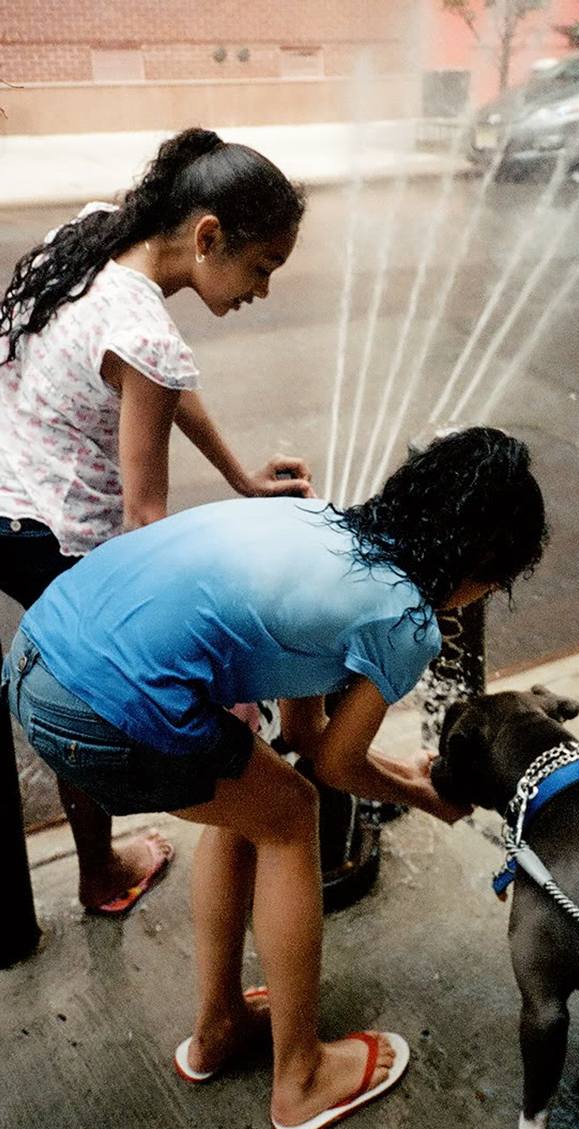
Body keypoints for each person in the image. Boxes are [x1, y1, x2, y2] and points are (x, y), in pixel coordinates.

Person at [3, 426, 547, 1129]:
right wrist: (420, 791)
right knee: (292, 813)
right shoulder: (406, 620)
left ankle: (220, 1027)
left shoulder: (317, 520)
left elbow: (304, 733)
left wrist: (404, 777)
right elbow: (336, 768)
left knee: (255, 797)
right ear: (481, 563)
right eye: (498, 580)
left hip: (37, 656)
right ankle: (300, 1078)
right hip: (102, 704)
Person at [0, 127, 313, 913]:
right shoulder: (146, 332)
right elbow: (145, 527)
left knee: (70, 661)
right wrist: (226, 662)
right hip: (55, 534)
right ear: (208, 238)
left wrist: (238, 473)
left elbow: (158, 382)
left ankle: (95, 865)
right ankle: (103, 871)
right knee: (91, 673)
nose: (263, 291)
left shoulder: (97, 232)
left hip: (5, 491)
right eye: (262, 266)